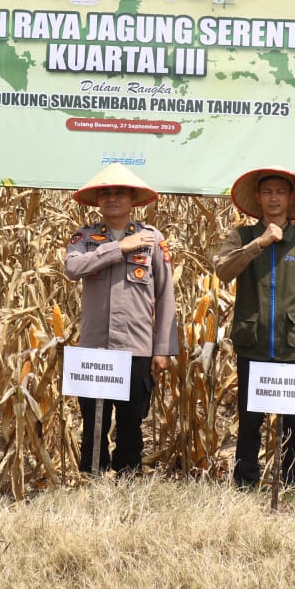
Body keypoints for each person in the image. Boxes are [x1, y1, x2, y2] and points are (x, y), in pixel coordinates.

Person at [213, 166, 295, 488]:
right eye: (267, 192)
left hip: (294, 343)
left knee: (293, 420)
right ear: (258, 198)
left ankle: (294, 483)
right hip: (253, 341)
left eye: (280, 192)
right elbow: (223, 272)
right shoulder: (242, 236)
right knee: (250, 419)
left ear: (290, 198)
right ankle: (245, 482)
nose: (273, 198)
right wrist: (259, 243)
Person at [64, 164, 178, 475]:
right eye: (106, 193)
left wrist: (162, 348)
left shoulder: (152, 238)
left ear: (133, 199)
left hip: (135, 346)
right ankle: (93, 478)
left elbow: (165, 293)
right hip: (95, 346)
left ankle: (127, 479)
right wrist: (119, 248)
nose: (112, 198)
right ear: (98, 201)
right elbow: (72, 269)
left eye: (120, 193)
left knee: (131, 420)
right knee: (93, 421)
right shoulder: (85, 237)